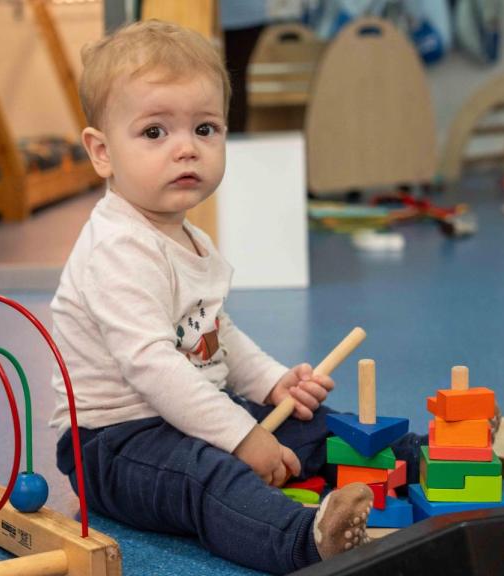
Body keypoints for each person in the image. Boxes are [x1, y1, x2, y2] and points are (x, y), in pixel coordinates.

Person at [47, 20, 426, 574]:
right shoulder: (117, 249)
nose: (186, 150)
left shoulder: (189, 236)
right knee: (209, 475)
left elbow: (215, 332)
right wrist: (242, 434)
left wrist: (272, 384)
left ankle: (422, 455)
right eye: (155, 133)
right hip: (114, 446)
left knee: (311, 423)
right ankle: (308, 540)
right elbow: (153, 366)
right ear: (102, 152)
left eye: (205, 129)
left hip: (188, 414)